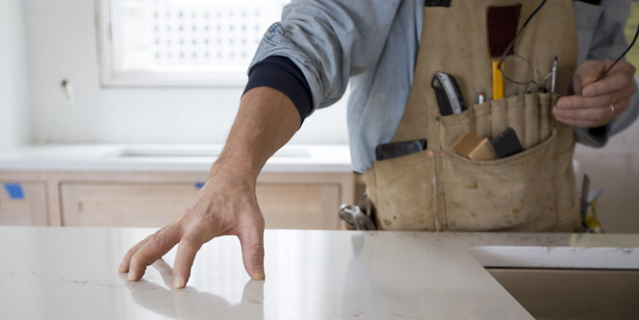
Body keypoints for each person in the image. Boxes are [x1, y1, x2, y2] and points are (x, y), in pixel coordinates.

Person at [119, 0, 639, 289]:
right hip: (405, 267)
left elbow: (614, 64)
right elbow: (310, 41)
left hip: (553, 261)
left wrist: (607, 96)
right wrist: (234, 170)